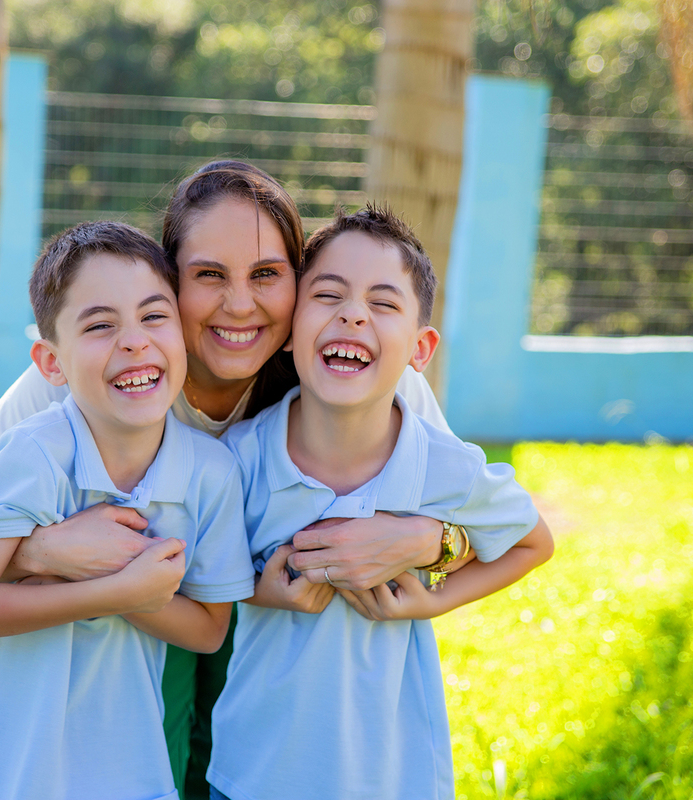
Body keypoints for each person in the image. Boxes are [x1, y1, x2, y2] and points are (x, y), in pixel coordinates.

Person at [0, 160, 484, 798]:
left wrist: (433, 541)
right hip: (150, 617)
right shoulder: (76, 388)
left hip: (276, 635)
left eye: (267, 275)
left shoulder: (352, 375)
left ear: (298, 283)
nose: (240, 303)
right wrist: (45, 548)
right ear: (168, 278)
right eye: (209, 276)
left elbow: (481, 516)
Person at [207, 206, 555, 800]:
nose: (353, 313)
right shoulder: (239, 460)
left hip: (394, 777)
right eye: (329, 294)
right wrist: (266, 589)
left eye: (384, 302)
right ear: (289, 329)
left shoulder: (442, 463)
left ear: (421, 348)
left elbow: (533, 541)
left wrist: (429, 600)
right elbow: (194, 570)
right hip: (254, 775)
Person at [0, 221, 255, 800]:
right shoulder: (32, 452)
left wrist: (129, 590)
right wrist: (116, 589)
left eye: (155, 317)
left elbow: (207, 631)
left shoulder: (212, 473)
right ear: (50, 363)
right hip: (7, 763)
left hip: (127, 764)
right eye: (101, 325)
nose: (134, 341)